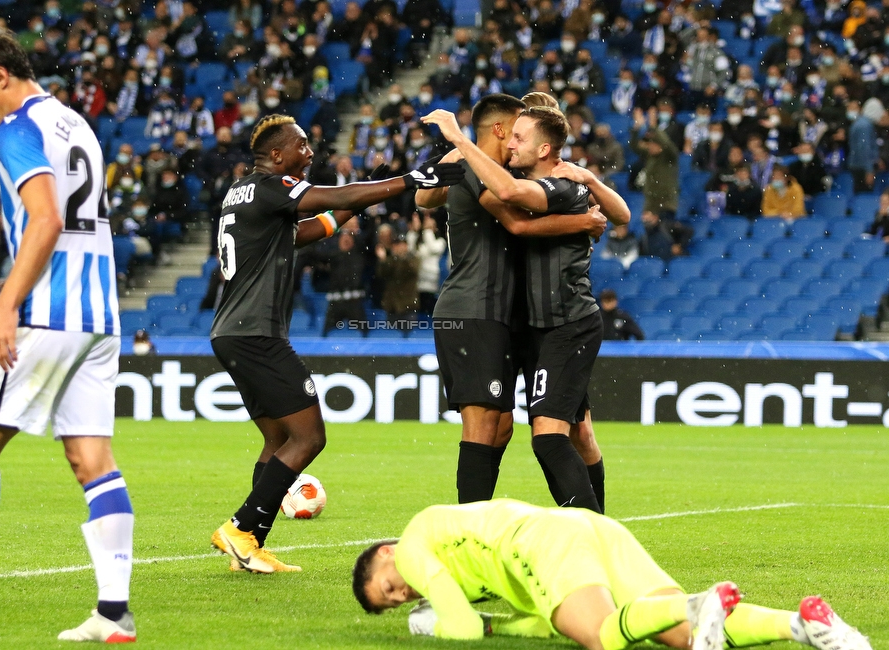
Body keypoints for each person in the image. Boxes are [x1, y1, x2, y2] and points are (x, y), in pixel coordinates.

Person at [0, 32, 134, 642]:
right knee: (91, 459)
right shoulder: (76, 124)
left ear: (2, 76)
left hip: (46, 316)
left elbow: (46, 218)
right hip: (98, 319)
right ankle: (114, 615)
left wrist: (5, 307)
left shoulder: (16, 129)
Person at [209, 114, 464, 574]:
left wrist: (365, 196)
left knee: (277, 440)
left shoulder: (243, 193)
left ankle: (248, 546)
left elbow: (315, 228)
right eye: (302, 145)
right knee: (309, 437)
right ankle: (240, 528)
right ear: (276, 153)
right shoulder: (272, 186)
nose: (309, 153)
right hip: (257, 334)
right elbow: (332, 198)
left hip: (232, 332)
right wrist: (409, 179)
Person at [423, 106, 631, 513]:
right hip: (528, 324)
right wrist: (458, 157)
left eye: (521, 136)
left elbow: (617, 215)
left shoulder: (565, 184)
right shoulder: (508, 173)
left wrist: (462, 143)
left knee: (564, 436)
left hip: (566, 322)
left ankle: (593, 531)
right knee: (516, 430)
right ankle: (588, 530)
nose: (512, 143)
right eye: (511, 134)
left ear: (545, 147)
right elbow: (427, 196)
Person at [352, 499, 872, 650]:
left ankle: (697, 601)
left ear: (386, 552)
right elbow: (540, 622)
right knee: (681, 639)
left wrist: (436, 625)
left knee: (605, 636)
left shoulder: (415, 544)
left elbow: (460, 627)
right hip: (585, 527)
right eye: (394, 603)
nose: (402, 594)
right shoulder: (462, 566)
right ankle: (806, 625)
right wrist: (493, 625)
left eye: (388, 586)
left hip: (540, 541)